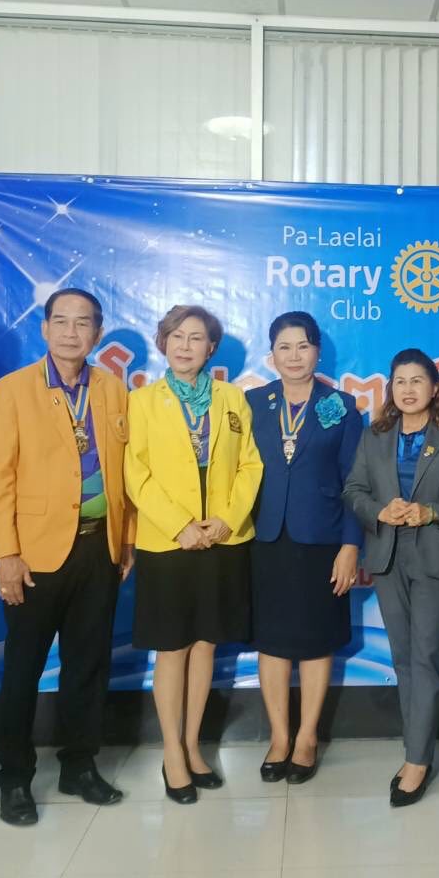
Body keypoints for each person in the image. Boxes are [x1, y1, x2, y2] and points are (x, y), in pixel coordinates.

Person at [0, 288, 135, 826]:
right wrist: (6, 552)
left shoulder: (113, 389)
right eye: (61, 322)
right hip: (34, 552)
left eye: (83, 323)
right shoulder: (13, 390)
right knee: (22, 669)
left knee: (88, 665)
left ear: (97, 333)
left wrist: (127, 538)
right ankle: (15, 778)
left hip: (99, 547)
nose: (72, 332)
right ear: (44, 329)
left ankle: (79, 765)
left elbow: (124, 470)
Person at [125, 304, 262, 803]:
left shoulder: (231, 398)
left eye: (196, 337)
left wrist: (226, 517)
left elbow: (250, 464)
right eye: (177, 336)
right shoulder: (142, 401)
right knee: (173, 647)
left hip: (222, 538)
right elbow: (135, 472)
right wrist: (179, 526)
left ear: (211, 347)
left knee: (206, 644)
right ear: (164, 343)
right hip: (169, 541)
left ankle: (192, 744)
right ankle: (171, 753)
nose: (185, 346)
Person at [343, 349, 439, 807]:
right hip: (387, 555)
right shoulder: (374, 436)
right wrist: (378, 510)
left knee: (426, 657)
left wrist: (432, 512)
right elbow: (354, 490)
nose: (408, 390)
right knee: (404, 658)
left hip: (435, 556)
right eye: (400, 381)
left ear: (434, 388)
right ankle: (415, 747)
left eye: (417, 381)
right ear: (391, 388)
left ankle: (417, 761)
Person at [245, 312, 363, 785]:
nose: (294, 356)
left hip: (322, 541)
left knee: (316, 643)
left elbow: (355, 482)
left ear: (317, 352)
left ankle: (307, 737)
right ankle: (279, 737)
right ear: (271, 354)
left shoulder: (339, 406)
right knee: (271, 643)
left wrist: (350, 545)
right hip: (266, 540)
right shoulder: (254, 403)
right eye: (284, 347)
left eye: (303, 346)